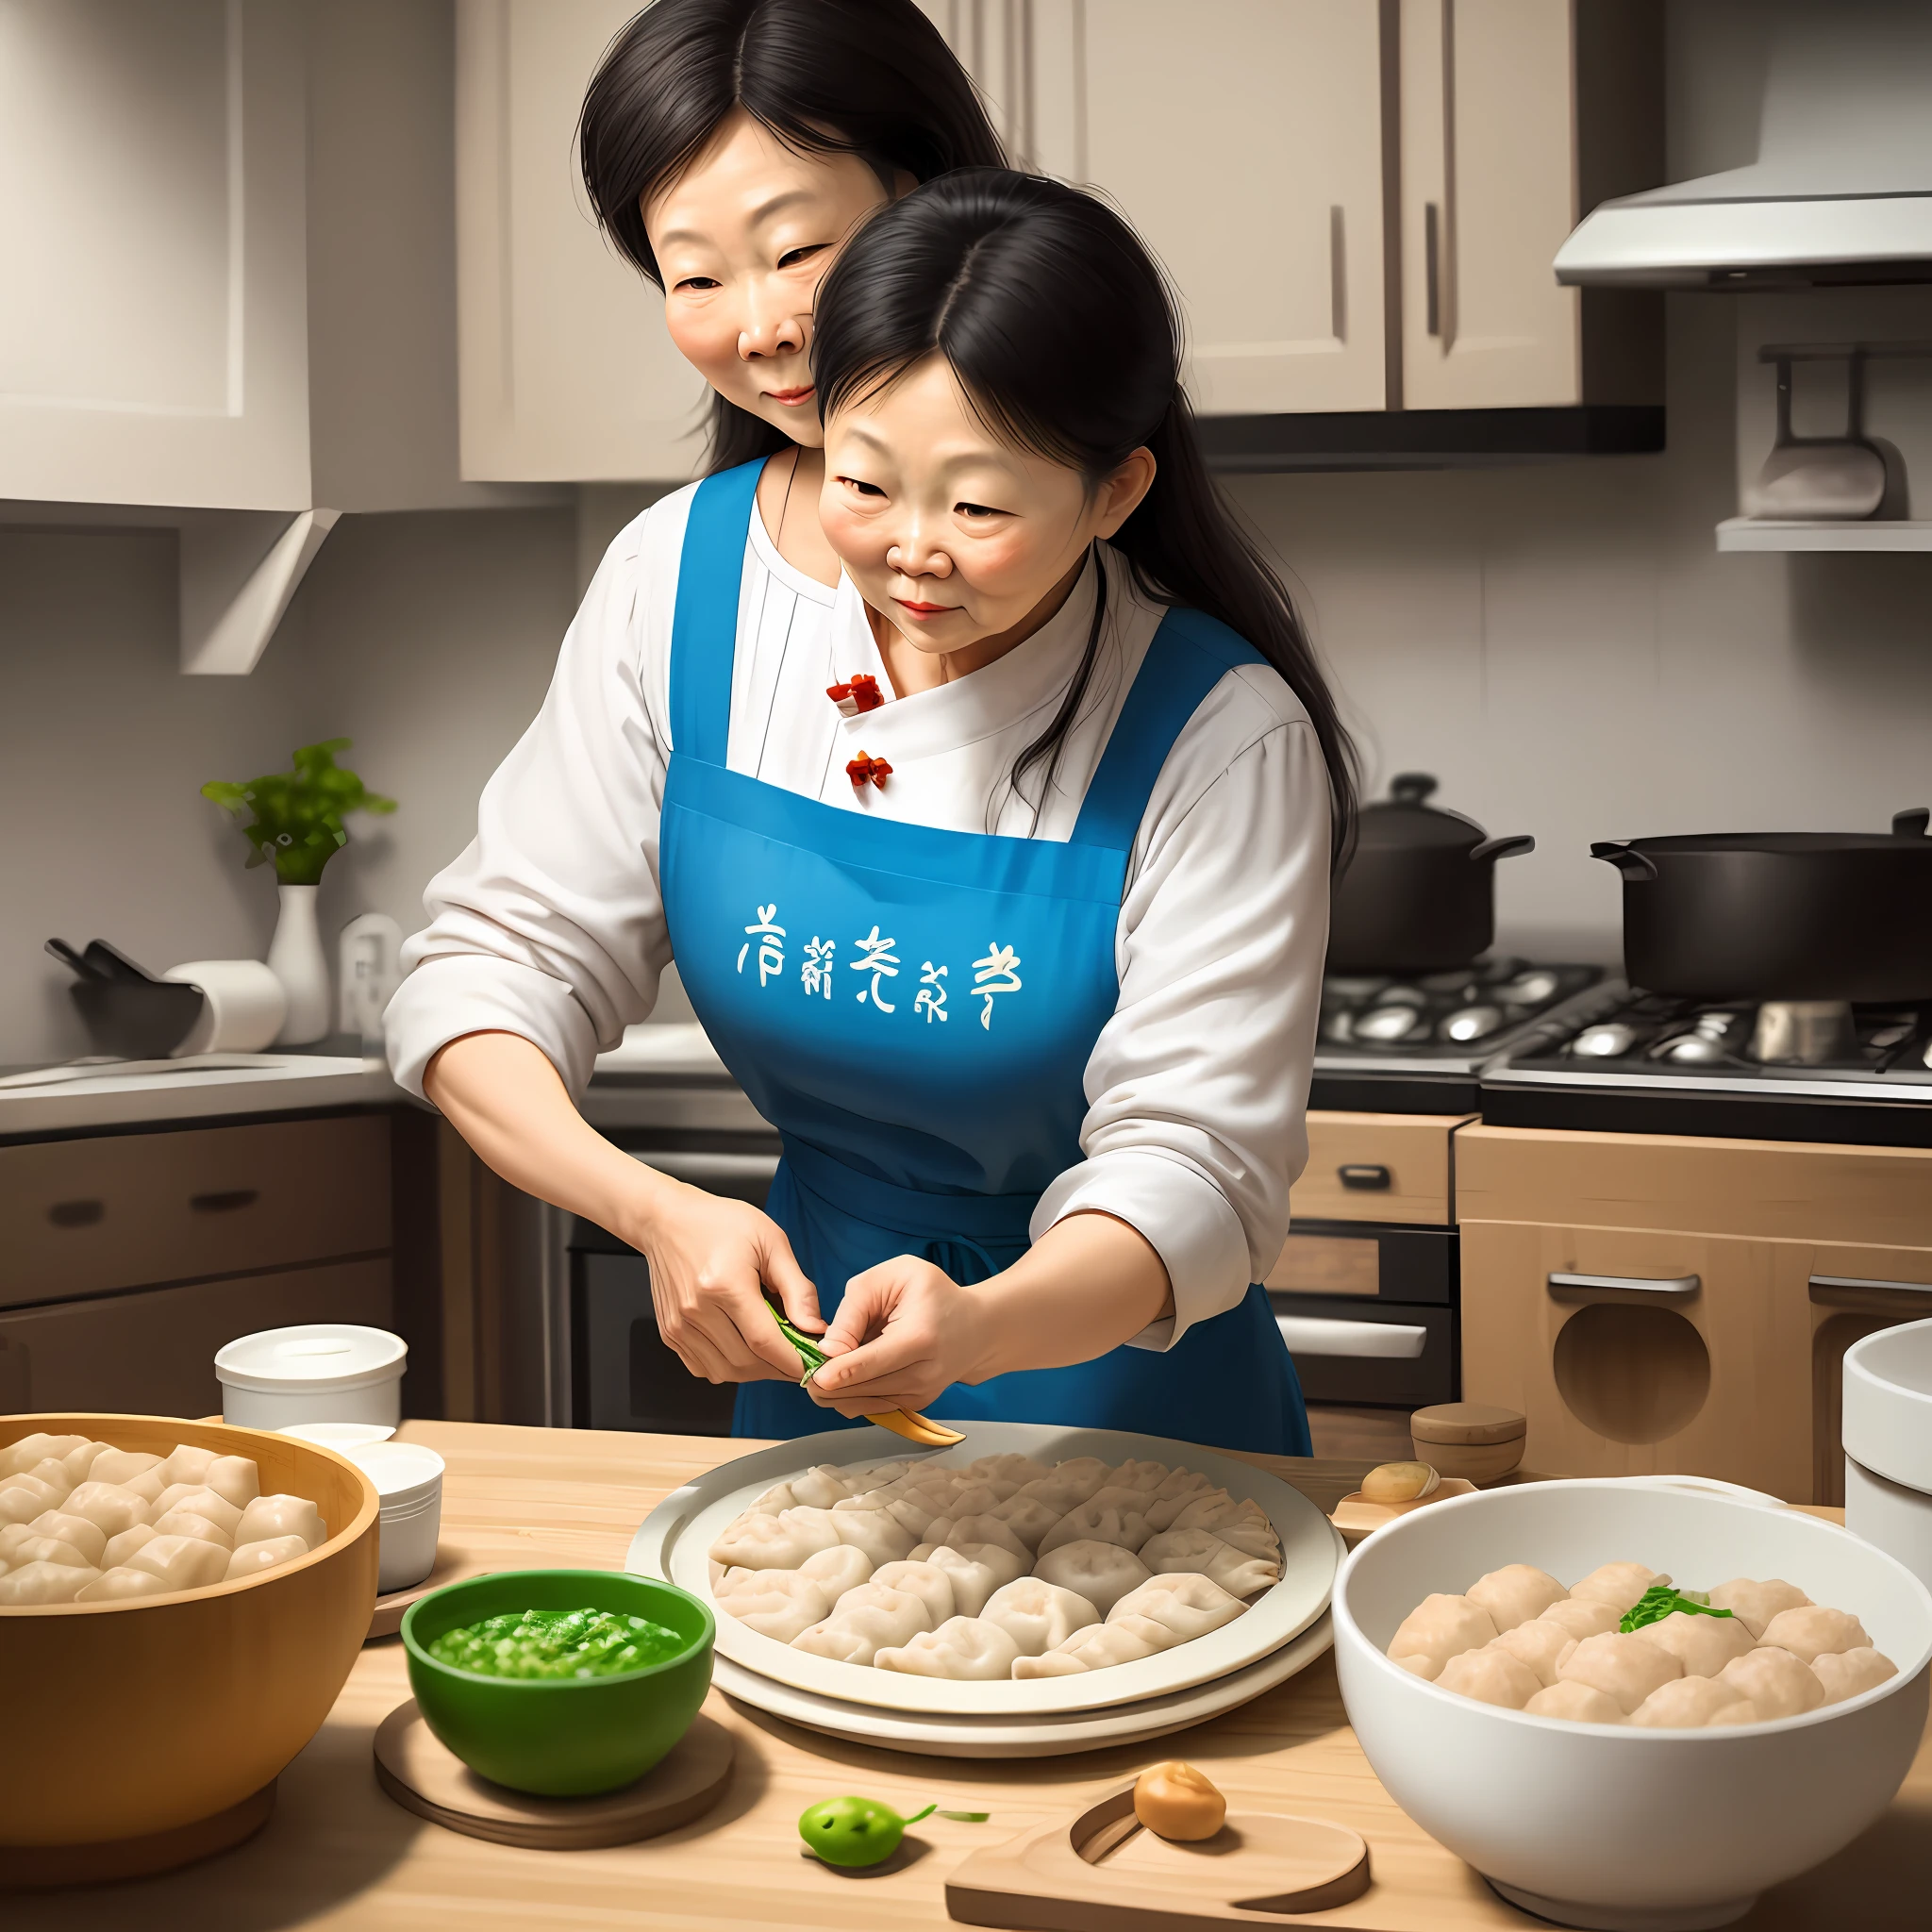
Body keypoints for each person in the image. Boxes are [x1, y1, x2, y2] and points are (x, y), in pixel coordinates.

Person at [391, 165, 1356, 1454]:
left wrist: (984, 1328)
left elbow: (1191, 1167)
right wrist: (657, 1214)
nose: (911, 547)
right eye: (862, 482)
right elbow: (491, 970)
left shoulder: (1220, 735)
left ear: (1115, 492)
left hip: (1125, 1403)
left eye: (978, 506)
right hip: (816, 1367)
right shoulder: (690, 588)